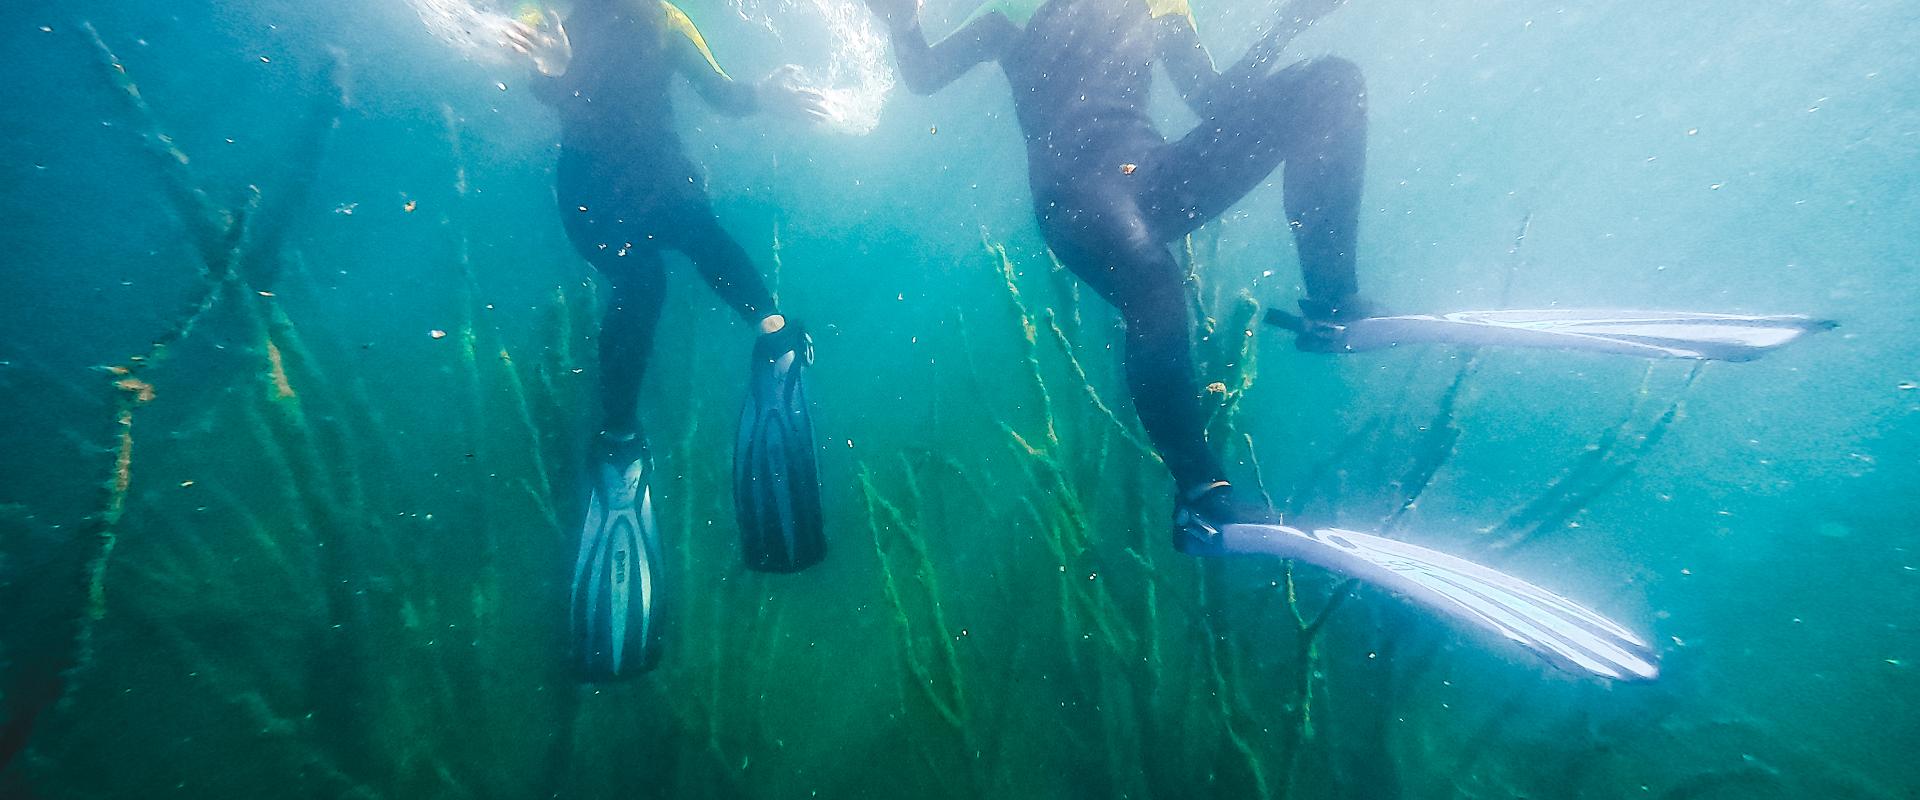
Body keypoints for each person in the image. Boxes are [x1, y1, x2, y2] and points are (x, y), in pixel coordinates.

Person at [862, 0, 1370, 551]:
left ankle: (1332, 302)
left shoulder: (1162, 5)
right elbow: (924, 75)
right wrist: (904, 25)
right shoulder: (1011, 13)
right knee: (1153, 285)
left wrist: (1286, 25)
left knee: (1332, 84)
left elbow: (1213, 99)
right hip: (1077, 195)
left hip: (1156, 174)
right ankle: (1201, 495)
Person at [505, 0, 831, 681]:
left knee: (703, 235)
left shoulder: (666, 19)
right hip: (593, 191)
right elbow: (538, 76)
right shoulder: (552, 14)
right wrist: (546, 66)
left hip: (660, 177)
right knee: (644, 281)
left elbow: (721, 94)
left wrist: (766, 95)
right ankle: (620, 436)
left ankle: (772, 339)